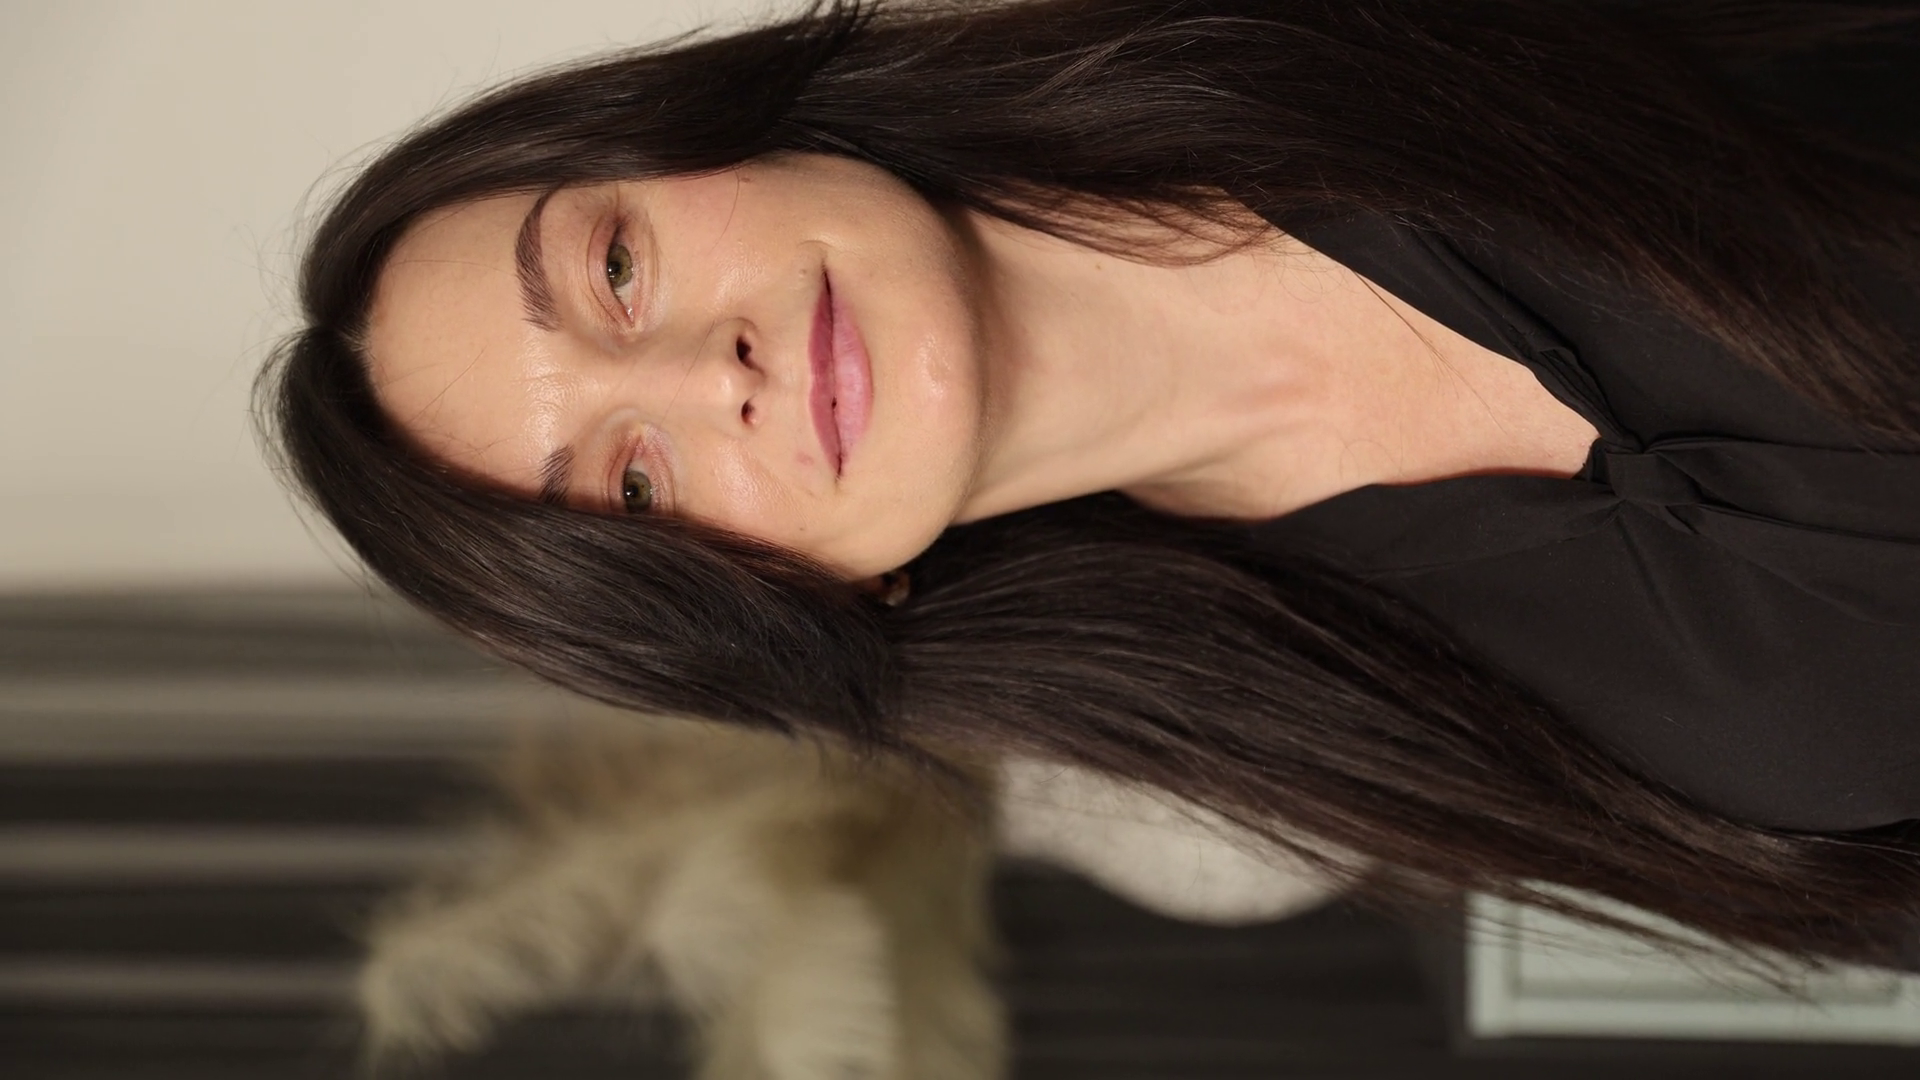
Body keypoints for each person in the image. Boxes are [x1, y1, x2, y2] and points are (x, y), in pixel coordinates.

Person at [262, 0, 1920, 968]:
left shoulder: (1372, 45)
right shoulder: (1319, 746)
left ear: (705, 130)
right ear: (775, 597)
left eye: (615, 269)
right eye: (633, 489)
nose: (716, 375)